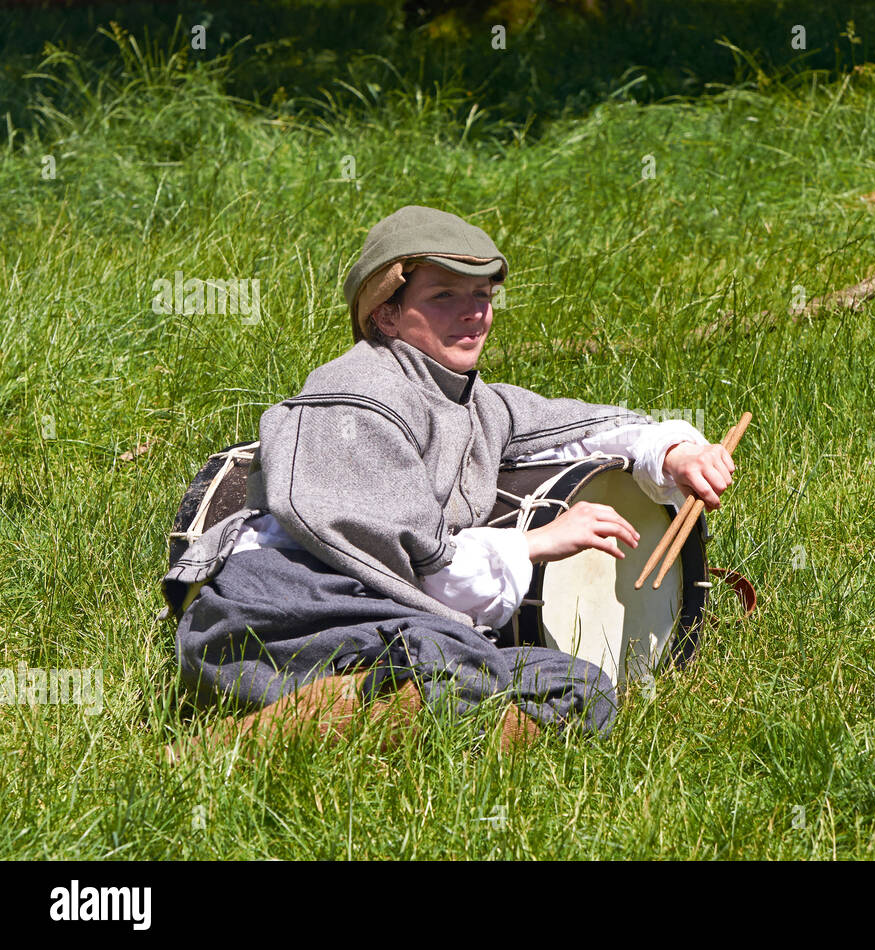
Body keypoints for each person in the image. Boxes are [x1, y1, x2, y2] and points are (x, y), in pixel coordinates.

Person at [162, 205, 735, 753]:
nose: (474, 313)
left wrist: (674, 450)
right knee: (448, 661)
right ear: (385, 312)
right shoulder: (358, 397)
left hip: (386, 615)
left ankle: (372, 722)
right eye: (444, 297)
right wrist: (536, 543)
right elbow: (417, 569)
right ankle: (247, 746)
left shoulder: (472, 400)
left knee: (580, 689)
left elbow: (580, 428)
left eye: (483, 296)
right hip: (287, 610)